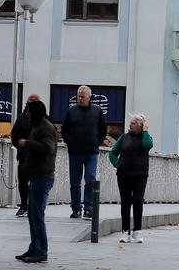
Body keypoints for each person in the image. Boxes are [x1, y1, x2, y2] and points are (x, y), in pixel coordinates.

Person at [16, 99, 56, 263]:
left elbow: (47, 148)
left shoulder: (45, 127)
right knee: (33, 215)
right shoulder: (37, 126)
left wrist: (27, 143)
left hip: (43, 175)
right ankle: (34, 248)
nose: (26, 115)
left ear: (35, 113)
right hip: (36, 175)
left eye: (29, 112)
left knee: (37, 215)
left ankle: (41, 251)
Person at [60, 85, 107, 219]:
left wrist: (97, 142)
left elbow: (103, 129)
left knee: (90, 179)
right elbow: (64, 129)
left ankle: (88, 208)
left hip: (91, 152)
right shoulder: (71, 111)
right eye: (78, 96)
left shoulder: (97, 111)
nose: (79, 98)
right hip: (75, 152)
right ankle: (76, 209)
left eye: (82, 96)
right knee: (75, 182)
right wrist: (69, 141)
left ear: (89, 97)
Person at [109, 112, 152, 243]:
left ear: (140, 126)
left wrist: (145, 131)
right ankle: (125, 231)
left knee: (138, 200)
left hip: (140, 175)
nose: (130, 125)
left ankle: (137, 231)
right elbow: (112, 153)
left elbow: (147, 146)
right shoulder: (124, 137)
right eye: (130, 123)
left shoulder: (146, 137)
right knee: (125, 202)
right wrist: (118, 164)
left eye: (133, 123)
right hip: (124, 174)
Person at [9, 93, 42, 217]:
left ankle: (34, 205)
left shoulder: (44, 120)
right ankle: (24, 205)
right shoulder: (21, 119)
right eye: (29, 103)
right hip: (24, 156)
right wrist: (20, 146)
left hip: (38, 158)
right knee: (23, 182)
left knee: (36, 183)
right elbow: (14, 135)